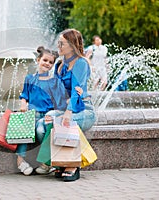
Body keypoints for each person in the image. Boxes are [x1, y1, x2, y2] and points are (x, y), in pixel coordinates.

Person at [36, 29, 96, 181]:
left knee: (64, 122)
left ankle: (73, 165)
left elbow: (78, 91)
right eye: (59, 42)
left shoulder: (81, 63)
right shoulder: (59, 65)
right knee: (42, 125)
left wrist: (68, 112)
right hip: (65, 109)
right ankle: (59, 162)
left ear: (72, 45)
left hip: (84, 110)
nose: (59, 46)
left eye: (62, 43)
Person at [16, 46, 70, 176]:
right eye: (45, 60)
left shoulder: (54, 81)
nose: (47, 63)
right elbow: (24, 95)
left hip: (47, 115)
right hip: (32, 114)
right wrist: (23, 104)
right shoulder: (30, 78)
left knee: (41, 130)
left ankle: (47, 162)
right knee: (24, 129)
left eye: (51, 62)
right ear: (38, 60)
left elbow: (61, 100)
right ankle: (20, 160)